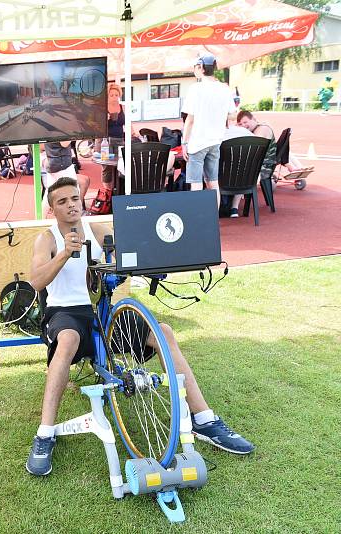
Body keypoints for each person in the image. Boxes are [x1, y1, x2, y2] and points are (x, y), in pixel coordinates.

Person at [25, 177, 254, 476]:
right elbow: (35, 282)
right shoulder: (48, 238)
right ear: (52, 209)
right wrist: (66, 253)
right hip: (66, 311)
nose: (71, 205)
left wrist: (145, 255)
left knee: (164, 332)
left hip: (102, 308)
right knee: (67, 340)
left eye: (74, 199)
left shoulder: (96, 229)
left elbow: (128, 250)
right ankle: (44, 434)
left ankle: (205, 419)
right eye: (62, 202)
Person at [181, 54, 236, 206]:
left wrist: (184, 142)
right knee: (213, 184)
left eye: (195, 67)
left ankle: (198, 221)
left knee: (196, 184)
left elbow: (189, 120)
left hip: (197, 142)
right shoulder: (225, 89)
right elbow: (233, 114)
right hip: (215, 141)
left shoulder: (195, 89)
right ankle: (214, 222)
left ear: (201, 68)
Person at [42, 141, 89, 211]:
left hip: (52, 162)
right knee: (75, 190)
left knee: (48, 193)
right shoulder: (62, 130)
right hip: (62, 163)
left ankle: (41, 217)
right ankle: (77, 213)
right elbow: (64, 143)